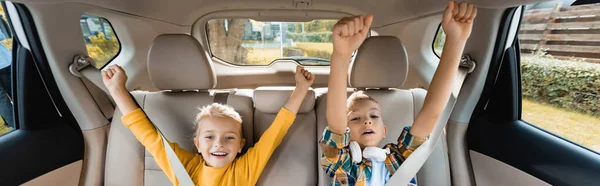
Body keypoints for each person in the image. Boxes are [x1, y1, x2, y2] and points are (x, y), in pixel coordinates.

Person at [320, 1, 478, 185]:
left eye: (374, 116)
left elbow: (431, 113)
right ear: (347, 134)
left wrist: (455, 41)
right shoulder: (344, 166)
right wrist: (341, 56)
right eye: (355, 118)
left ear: (384, 131)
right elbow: (336, 127)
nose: (367, 121)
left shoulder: (397, 160)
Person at [102, 64, 314, 186]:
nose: (218, 144)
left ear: (241, 145)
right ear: (197, 144)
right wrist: (117, 90)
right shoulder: (185, 168)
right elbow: (148, 136)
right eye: (209, 137)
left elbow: (276, 131)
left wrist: (301, 89)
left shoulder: (245, 169)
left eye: (229, 137)